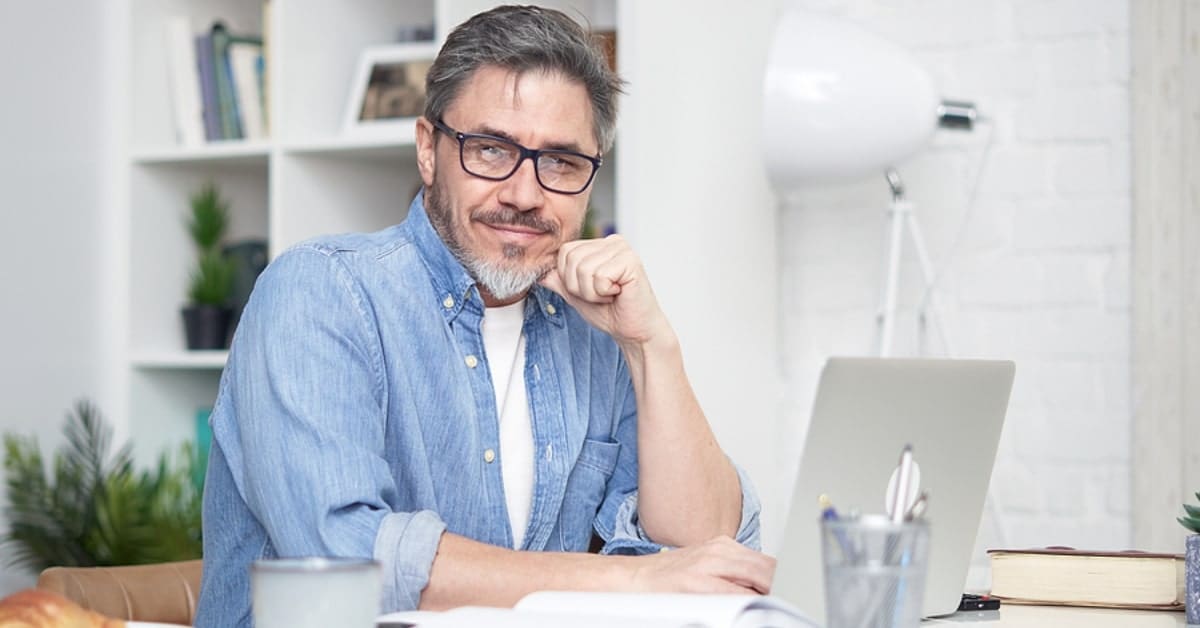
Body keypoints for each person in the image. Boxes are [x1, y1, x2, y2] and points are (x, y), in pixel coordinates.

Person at [195, 6, 774, 626]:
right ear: (428, 150)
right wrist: (628, 576)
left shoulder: (596, 329)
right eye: (491, 150)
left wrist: (651, 345)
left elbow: (708, 555)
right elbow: (349, 556)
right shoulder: (323, 293)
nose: (525, 194)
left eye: (560, 162)